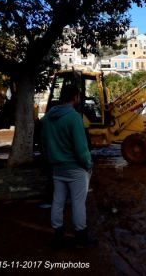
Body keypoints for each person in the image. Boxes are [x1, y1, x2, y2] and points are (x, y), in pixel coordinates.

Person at [41, 84, 94, 249]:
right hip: (76, 169)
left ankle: (58, 237)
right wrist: (89, 164)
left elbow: (44, 142)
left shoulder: (48, 116)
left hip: (57, 167)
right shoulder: (74, 117)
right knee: (78, 203)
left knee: (58, 201)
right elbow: (81, 148)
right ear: (75, 97)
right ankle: (82, 239)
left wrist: (51, 160)